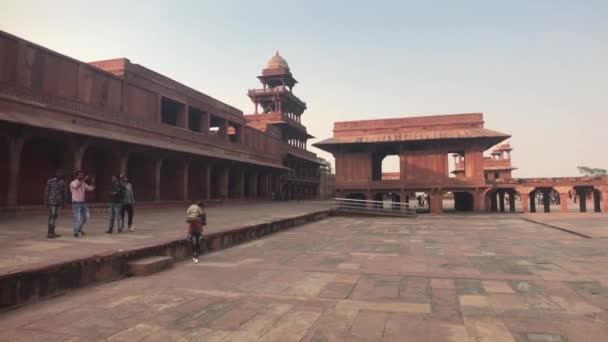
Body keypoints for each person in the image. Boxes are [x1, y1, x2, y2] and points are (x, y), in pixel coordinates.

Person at [43, 169, 68, 238]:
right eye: (59, 173)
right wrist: (45, 200)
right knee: (52, 216)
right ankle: (50, 233)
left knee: (54, 216)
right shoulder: (50, 181)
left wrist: (64, 202)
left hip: (58, 202)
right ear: (56, 173)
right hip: (51, 201)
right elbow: (47, 190)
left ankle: (52, 232)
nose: (60, 174)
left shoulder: (62, 182)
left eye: (61, 173)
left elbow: (64, 193)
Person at [70, 170, 95, 237]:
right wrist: (84, 179)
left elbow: (90, 189)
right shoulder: (73, 182)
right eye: (80, 175)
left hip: (83, 202)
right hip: (76, 203)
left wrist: (92, 183)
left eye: (82, 175)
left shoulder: (83, 183)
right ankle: (75, 232)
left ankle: (79, 228)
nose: (81, 176)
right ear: (76, 176)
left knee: (86, 217)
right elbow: (77, 186)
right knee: (77, 218)